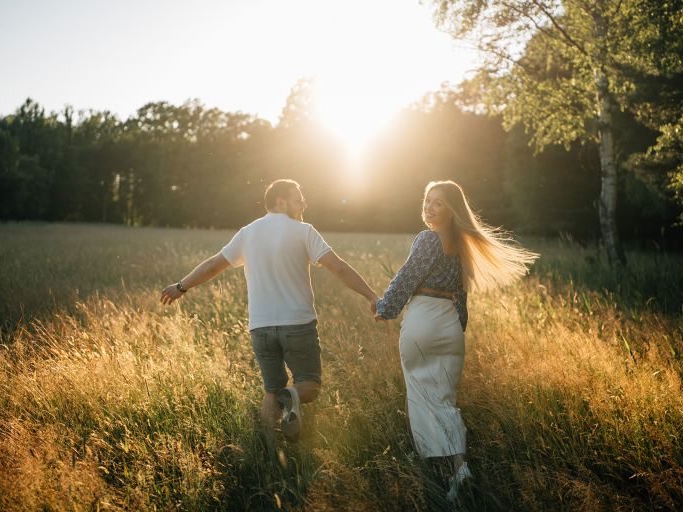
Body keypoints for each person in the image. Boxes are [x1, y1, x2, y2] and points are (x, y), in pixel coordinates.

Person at [161, 179, 379, 443]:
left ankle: (271, 452)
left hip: (260, 327)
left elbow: (212, 266)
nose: (304, 204)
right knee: (309, 386)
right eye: (298, 199)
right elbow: (339, 268)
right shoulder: (304, 231)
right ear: (280, 201)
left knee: (271, 391)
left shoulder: (248, 232)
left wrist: (181, 286)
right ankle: (293, 397)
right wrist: (371, 295)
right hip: (297, 323)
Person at [375, 180, 538, 500]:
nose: (429, 206)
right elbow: (462, 299)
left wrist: (385, 308)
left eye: (437, 202)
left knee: (420, 396)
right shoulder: (462, 247)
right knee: (445, 400)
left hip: (423, 320)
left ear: (451, 210)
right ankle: (460, 469)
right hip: (449, 325)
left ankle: (433, 466)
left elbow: (407, 278)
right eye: (427, 200)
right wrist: (456, 328)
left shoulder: (427, 240)